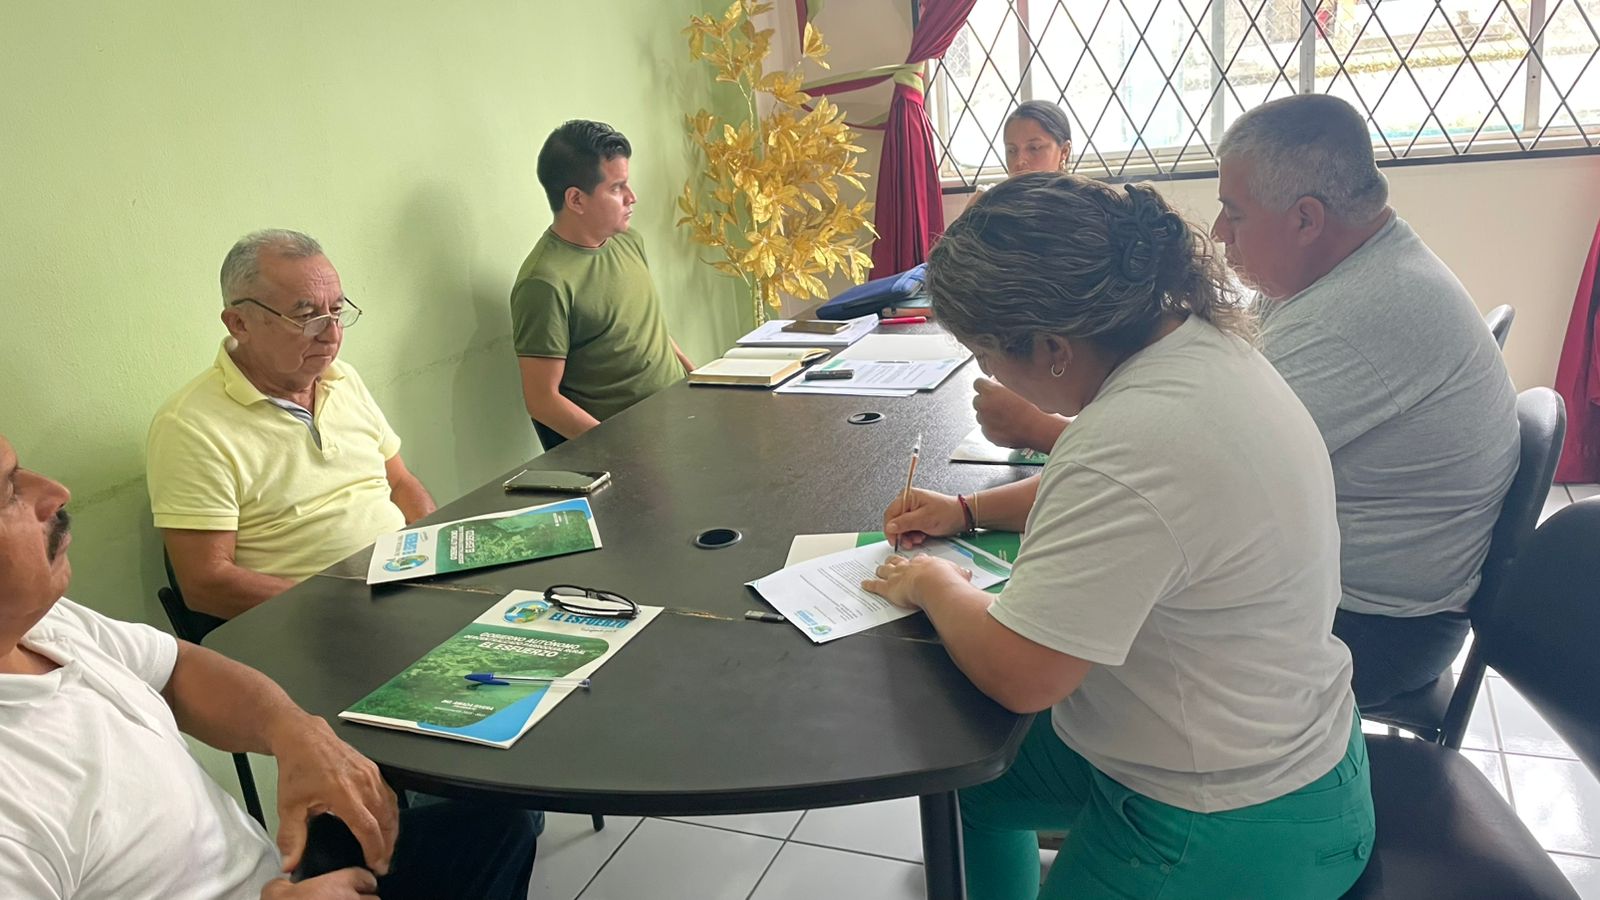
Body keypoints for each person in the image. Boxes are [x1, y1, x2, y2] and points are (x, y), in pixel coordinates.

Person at [867, 173, 1373, 898]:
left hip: (1231, 812)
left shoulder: (1130, 439)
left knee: (990, 723)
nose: (987, 371)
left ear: (1053, 348)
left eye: (985, 353)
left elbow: (1023, 675)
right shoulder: (1192, 347)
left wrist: (932, 582)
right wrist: (968, 512)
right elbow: (1134, 505)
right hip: (1271, 739)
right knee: (971, 787)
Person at [972, 95, 1519, 707]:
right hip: (1360, 587)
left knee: (1055, 649)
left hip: (1377, 625)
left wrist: (1037, 430)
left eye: (1234, 213)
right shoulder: (1345, 269)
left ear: (1306, 219)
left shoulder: (1355, 319)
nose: (1218, 232)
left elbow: (1168, 462)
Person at [0, 435, 535, 899]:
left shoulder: (45, 623)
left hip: (272, 874)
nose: (55, 492)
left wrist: (291, 729)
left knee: (496, 830)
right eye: (7, 491)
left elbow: (175, 669)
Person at [147, 230, 436, 619]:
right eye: (307, 317)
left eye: (337, 311)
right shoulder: (190, 425)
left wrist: (438, 551)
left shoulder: (342, 378)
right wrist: (345, 604)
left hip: (404, 588)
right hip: (312, 620)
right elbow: (206, 584)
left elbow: (399, 482)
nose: (332, 335)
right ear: (239, 323)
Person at [510, 119, 695, 449]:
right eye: (616, 188)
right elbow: (542, 401)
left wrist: (700, 379)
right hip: (631, 447)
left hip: (683, 415)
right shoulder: (544, 283)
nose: (632, 197)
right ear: (576, 200)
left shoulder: (628, 241)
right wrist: (619, 451)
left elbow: (650, 329)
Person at [961, 100, 1074, 214]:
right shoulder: (985, 203)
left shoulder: (1079, 204)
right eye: (1012, 150)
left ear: (1064, 151)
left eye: (1034, 148)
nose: (1019, 161)